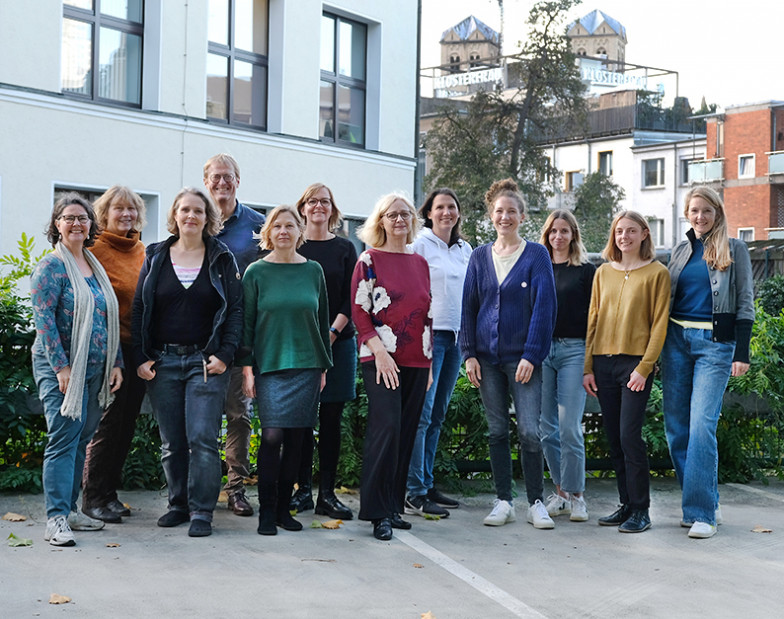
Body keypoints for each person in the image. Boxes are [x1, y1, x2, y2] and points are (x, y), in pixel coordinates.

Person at [132, 188, 242, 538]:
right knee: (173, 441)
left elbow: (236, 310)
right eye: (184, 210)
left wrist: (225, 355)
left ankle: (201, 511)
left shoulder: (221, 257)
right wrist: (141, 357)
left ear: (207, 217)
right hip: (163, 361)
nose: (191, 216)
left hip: (204, 361)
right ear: (175, 216)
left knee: (203, 438)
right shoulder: (156, 256)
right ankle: (178, 504)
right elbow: (139, 309)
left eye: (198, 210)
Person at [460, 178, 556, 529]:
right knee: (497, 430)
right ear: (490, 216)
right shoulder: (478, 257)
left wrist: (532, 355)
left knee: (530, 431)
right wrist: (468, 353)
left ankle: (535, 502)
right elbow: (468, 308)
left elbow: (545, 309)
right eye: (499, 211)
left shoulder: (536, 255)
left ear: (522, 216)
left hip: (523, 359)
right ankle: (504, 500)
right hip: (486, 358)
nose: (505, 217)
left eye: (511, 211)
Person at [31, 193, 123, 546]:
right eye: (68, 218)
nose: (76, 224)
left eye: (82, 218)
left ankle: (69, 510)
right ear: (57, 225)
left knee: (81, 439)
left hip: (96, 367)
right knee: (63, 439)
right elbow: (45, 324)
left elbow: (106, 318)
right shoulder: (51, 267)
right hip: (64, 368)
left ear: (90, 225)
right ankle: (55, 519)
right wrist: (61, 367)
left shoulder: (94, 266)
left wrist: (116, 363)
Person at [662, 187, 753, 539]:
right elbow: (664, 303)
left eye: (706, 211)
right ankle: (701, 500)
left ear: (717, 212)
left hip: (716, 346)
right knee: (676, 429)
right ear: (688, 213)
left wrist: (741, 353)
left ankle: (702, 513)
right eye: (694, 210)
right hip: (675, 343)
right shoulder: (681, 250)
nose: (700, 217)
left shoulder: (737, 250)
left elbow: (745, 302)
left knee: (701, 426)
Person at [240, 205, 332, 535]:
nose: (283, 231)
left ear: (299, 231)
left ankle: (283, 511)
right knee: (272, 435)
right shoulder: (255, 273)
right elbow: (247, 324)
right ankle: (266, 512)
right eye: (277, 226)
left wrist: (324, 365)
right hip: (270, 365)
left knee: (298, 438)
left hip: (308, 365)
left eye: (290, 225)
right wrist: (246, 368)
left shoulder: (313, 271)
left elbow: (321, 322)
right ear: (268, 233)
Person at [352, 193, 433, 541]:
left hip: (418, 359)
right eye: (392, 214)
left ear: (413, 221)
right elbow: (359, 311)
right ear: (381, 221)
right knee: (386, 430)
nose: (399, 220)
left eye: (405, 214)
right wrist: (379, 352)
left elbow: (427, 315)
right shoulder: (368, 261)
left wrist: (428, 364)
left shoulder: (420, 263)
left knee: (405, 432)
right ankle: (377, 512)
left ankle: (394, 506)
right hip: (380, 359)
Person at [583, 210, 670, 533]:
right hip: (603, 365)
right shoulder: (603, 272)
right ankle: (626, 504)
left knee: (630, 436)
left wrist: (644, 368)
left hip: (634, 366)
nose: (624, 237)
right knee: (614, 438)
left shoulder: (657, 273)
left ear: (644, 234)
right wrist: (588, 367)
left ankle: (641, 509)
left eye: (631, 231)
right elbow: (593, 320)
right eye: (619, 231)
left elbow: (659, 325)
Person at [289, 183, 357, 520]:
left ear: (332, 209)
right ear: (302, 208)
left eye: (324, 201)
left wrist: (330, 333)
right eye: (312, 201)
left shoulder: (346, 248)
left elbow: (351, 297)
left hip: (338, 344)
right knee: (300, 421)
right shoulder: (292, 246)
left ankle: (326, 494)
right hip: (299, 347)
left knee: (331, 420)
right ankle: (302, 490)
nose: (318, 206)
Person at [203, 153, 265, 517]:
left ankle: (236, 489)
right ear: (206, 180)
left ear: (238, 180)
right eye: (215, 177)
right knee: (201, 416)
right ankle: (203, 488)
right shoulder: (194, 219)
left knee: (239, 415)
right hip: (202, 338)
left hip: (242, 338)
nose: (222, 183)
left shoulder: (258, 225)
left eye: (228, 177)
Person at [404, 188, 472, 519]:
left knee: (438, 415)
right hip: (427, 340)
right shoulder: (418, 245)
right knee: (422, 415)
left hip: (456, 338)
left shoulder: (465, 249)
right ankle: (413, 492)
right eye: (440, 207)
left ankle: (427, 483)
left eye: (452, 207)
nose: (446, 212)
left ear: (458, 213)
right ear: (429, 213)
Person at [81, 186, 147, 524]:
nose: (126, 215)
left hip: (137, 349)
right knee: (107, 422)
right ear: (104, 214)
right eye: (118, 209)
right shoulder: (95, 250)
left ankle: (109, 493)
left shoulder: (142, 251)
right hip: (109, 349)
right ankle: (92, 495)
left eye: (132, 209)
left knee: (125, 424)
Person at [538, 210, 595, 522]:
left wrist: (591, 363)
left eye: (564, 231)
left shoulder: (587, 272)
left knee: (570, 427)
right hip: (542, 351)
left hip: (575, 350)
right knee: (548, 429)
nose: (558, 237)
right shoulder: (537, 269)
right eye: (553, 231)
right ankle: (560, 492)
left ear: (573, 235)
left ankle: (578, 496)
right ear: (547, 235)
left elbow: (595, 319)